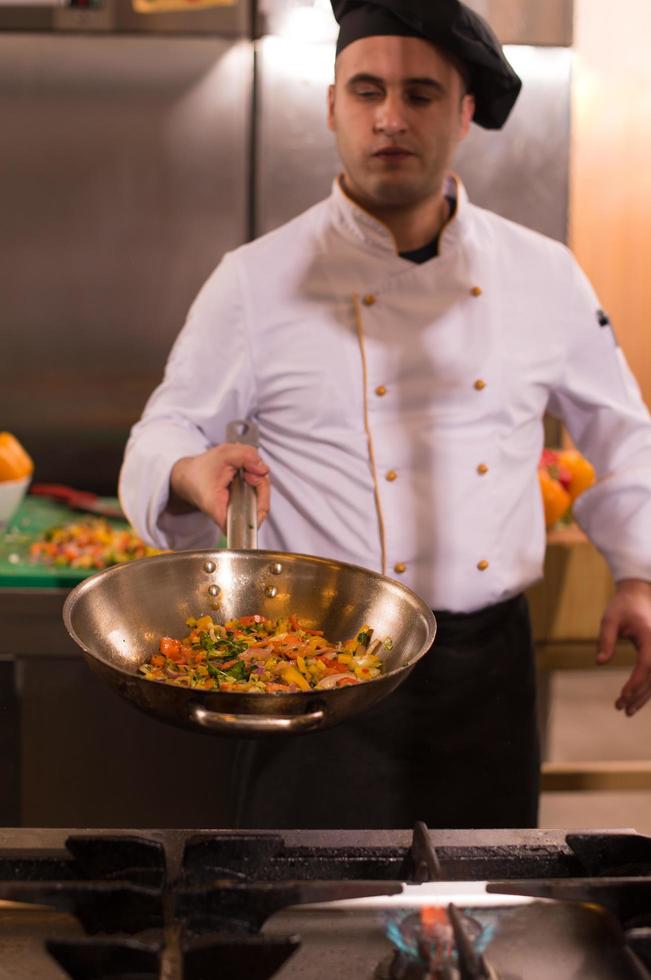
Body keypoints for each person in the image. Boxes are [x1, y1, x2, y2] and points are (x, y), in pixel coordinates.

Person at [119, 0, 651, 829]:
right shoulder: (255, 281)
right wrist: (190, 470)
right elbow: (164, 430)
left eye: (422, 94)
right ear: (332, 104)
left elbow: (623, 436)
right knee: (302, 931)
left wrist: (639, 570)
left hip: (483, 676)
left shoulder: (542, 275)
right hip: (310, 671)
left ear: (466, 112)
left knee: (482, 927)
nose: (390, 118)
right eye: (366, 91)